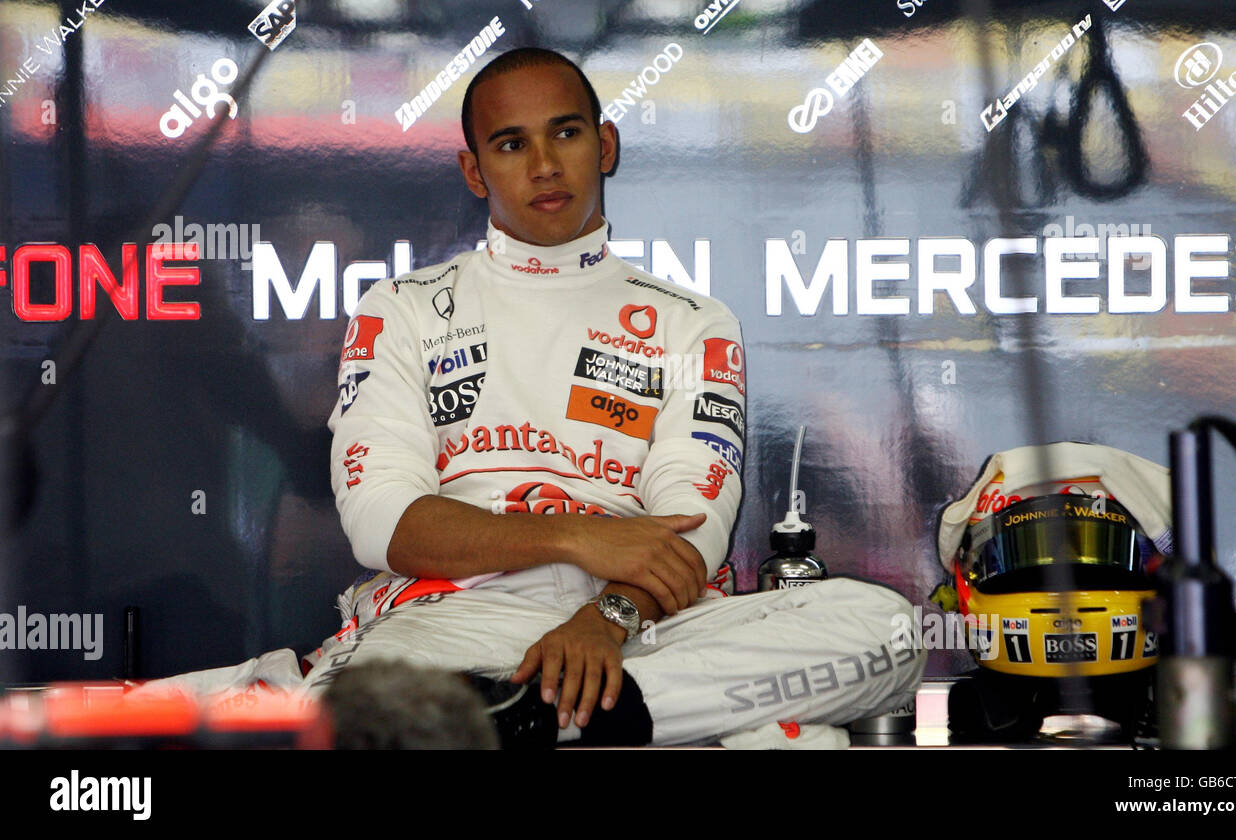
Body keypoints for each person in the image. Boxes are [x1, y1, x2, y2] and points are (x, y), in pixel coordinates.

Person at [306, 46, 924, 746]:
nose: (544, 164)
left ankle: (528, 719)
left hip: (643, 624)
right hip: (456, 619)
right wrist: (574, 534)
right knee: (348, 717)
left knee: (888, 628)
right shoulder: (402, 308)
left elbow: (697, 522)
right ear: (474, 171)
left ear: (605, 145)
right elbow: (381, 521)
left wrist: (606, 621)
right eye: (512, 144)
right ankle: (572, 716)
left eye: (565, 133)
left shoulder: (692, 321)